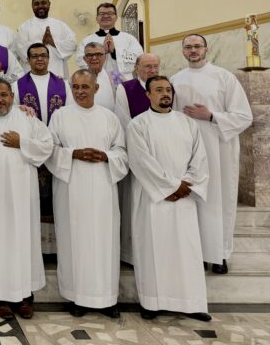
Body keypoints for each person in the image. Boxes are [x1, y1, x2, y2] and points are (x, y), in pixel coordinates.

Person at [126, 75, 211, 322]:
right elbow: (141, 162)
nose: (165, 94)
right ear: (148, 95)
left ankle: (191, 302)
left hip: (184, 198)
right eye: (159, 90)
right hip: (153, 199)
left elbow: (199, 159)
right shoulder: (138, 125)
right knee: (153, 249)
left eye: (168, 90)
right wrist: (171, 187)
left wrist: (186, 185)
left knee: (187, 251)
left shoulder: (188, 123)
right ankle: (152, 302)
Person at [46, 69, 127, 318]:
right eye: (76, 87)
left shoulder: (109, 118)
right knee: (75, 241)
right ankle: (77, 297)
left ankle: (107, 298)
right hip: (71, 190)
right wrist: (74, 154)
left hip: (103, 190)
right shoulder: (60, 116)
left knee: (104, 242)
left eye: (85, 87)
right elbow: (50, 150)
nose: (80, 92)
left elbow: (122, 152)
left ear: (96, 88)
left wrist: (106, 156)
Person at [0, 79, 53, 320]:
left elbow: (47, 145)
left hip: (24, 193)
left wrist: (22, 143)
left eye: (3, 94)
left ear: (12, 95)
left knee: (24, 241)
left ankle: (25, 297)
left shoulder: (27, 118)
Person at [171, 34, 252, 274]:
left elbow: (244, 116)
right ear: (183, 51)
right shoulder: (175, 80)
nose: (193, 50)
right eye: (188, 47)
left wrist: (211, 116)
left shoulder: (224, 77)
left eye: (197, 46)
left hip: (219, 150)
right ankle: (195, 253)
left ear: (206, 49)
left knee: (219, 200)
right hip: (188, 150)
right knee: (193, 200)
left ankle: (219, 254)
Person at [15, 43, 72, 256]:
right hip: (33, 148)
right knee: (35, 196)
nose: (39, 59)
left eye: (43, 55)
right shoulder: (17, 85)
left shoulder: (63, 84)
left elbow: (69, 114)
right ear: (27, 60)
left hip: (57, 146)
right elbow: (15, 114)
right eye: (34, 56)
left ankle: (56, 247)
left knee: (57, 196)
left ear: (49, 58)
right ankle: (37, 247)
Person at [114, 53, 160, 264]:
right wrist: (141, 149)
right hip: (136, 154)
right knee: (134, 202)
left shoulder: (166, 86)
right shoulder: (126, 88)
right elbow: (124, 121)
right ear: (137, 68)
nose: (152, 70)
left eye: (155, 66)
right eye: (147, 66)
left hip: (160, 155)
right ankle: (131, 253)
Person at [14, 0, 77, 78]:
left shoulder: (61, 25)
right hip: (33, 76)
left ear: (49, 4)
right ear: (32, 6)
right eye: (36, 4)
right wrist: (41, 43)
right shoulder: (24, 27)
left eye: (43, 3)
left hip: (57, 73)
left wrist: (53, 43)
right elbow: (21, 49)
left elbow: (73, 44)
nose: (40, 6)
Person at [77, 3, 143, 82]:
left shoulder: (129, 38)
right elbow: (81, 61)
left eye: (110, 13)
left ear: (116, 17)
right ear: (97, 18)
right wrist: (102, 52)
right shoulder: (87, 40)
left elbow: (138, 59)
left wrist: (114, 52)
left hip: (123, 81)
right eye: (102, 14)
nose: (106, 16)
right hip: (97, 80)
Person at [82, 43, 116, 110]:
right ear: (84, 59)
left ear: (105, 57)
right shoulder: (77, 78)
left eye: (98, 54)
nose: (94, 58)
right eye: (90, 55)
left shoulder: (115, 77)